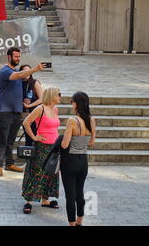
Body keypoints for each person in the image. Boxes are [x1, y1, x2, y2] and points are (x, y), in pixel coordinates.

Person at [0, 47, 46, 177]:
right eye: (16, 57)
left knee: (11, 139)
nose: (18, 59)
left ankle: (9, 163)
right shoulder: (5, 71)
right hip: (4, 111)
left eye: (19, 57)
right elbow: (18, 75)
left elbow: (24, 78)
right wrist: (35, 69)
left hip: (17, 111)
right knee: (3, 139)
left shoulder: (17, 71)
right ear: (9, 57)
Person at [21, 87, 61, 214]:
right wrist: (33, 137)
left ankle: (45, 200)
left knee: (51, 172)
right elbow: (26, 122)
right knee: (38, 171)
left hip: (54, 146)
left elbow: (55, 127)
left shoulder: (55, 109)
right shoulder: (40, 109)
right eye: (58, 94)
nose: (60, 96)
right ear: (52, 95)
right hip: (42, 146)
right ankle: (28, 201)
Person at [59, 92, 96, 226]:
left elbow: (64, 144)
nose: (71, 104)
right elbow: (91, 142)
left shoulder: (72, 120)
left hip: (69, 161)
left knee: (70, 195)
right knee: (79, 192)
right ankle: (80, 221)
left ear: (76, 103)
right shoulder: (91, 120)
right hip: (83, 161)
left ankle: (72, 223)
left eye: (72, 101)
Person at [20, 64, 43, 147]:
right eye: (24, 71)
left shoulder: (34, 82)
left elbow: (42, 99)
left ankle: (36, 156)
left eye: (29, 70)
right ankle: (28, 157)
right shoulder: (18, 83)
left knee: (34, 133)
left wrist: (30, 105)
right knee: (28, 135)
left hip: (34, 112)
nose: (27, 72)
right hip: (23, 113)